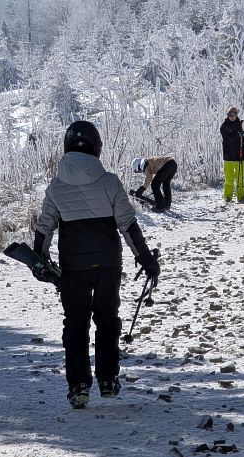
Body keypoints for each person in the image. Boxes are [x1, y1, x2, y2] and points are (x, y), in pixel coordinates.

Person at [33, 120, 161, 410]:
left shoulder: (55, 187)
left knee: (75, 325)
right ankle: (107, 380)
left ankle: (78, 386)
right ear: (96, 148)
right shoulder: (110, 182)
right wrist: (146, 259)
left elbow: (45, 226)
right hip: (107, 264)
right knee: (107, 321)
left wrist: (38, 259)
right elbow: (128, 226)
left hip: (73, 267)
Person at [220, 107, 244, 203]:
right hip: (228, 156)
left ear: (236, 114)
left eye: (234, 114)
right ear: (227, 114)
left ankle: (241, 196)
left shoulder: (241, 124)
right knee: (229, 179)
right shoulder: (224, 126)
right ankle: (227, 196)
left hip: (240, 157)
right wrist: (237, 135)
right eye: (230, 114)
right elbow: (228, 138)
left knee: (240, 179)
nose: (232, 116)